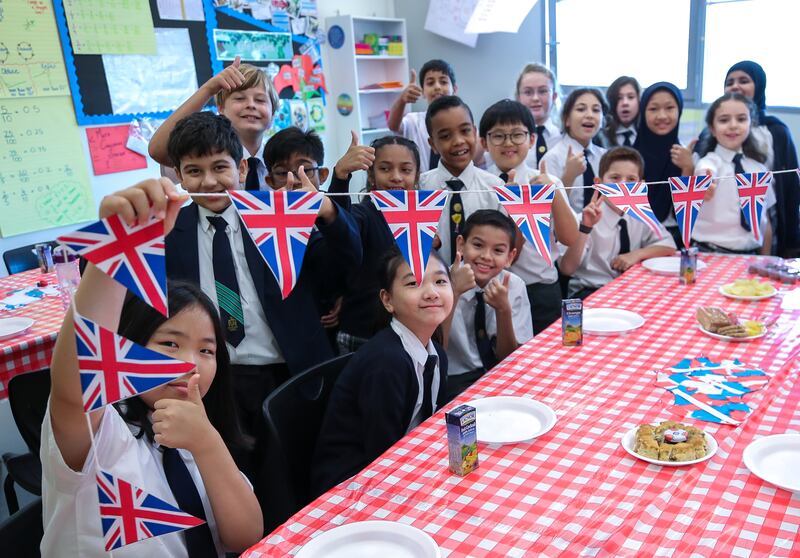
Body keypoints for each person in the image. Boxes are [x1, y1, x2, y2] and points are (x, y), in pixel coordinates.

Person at [41, 177, 263, 556]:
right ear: (124, 348)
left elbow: (247, 538)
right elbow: (78, 381)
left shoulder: (196, 429)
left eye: (207, 351)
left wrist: (207, 443)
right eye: (169, 343)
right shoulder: (102, 434)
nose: (189, 363)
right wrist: (118, 248)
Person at [163, 113, 362, 441]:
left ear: (241, 169)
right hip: (214, 378)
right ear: (180, 177)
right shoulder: (170, 232)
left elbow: (347, 261)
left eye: (220, 167)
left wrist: (326, 210)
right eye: (194, 171)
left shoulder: (274, 216)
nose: (209, 181)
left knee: (297, 468)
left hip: (290, 371)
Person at [311, 250, 453, 496]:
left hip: (404, 466)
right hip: (351, 487)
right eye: (413, 283)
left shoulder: (436, 354)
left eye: (440, 281)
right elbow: (382, 455)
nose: (431, 292)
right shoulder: (387, 363)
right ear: (387, 300)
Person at [479, 99, 579, 333]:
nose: (508, 142)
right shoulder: (479, 185)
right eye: (498, 136)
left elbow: (570, 238)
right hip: (492, 289)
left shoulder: (548, 182)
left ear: (532, 139)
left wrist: (552, 194)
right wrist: (512, 205)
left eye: (517, 134)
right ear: (484, 142)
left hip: (542, 289)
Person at [335, 135, 422, 353]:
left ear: (416, 175)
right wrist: (340, 176)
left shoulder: (422, 217)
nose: (396, 177)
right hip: (362, 334)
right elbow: (340, 228)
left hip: (409, 330)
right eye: (385, 169)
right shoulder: (362, 214)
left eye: (405, 170)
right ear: (371, 176)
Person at [558, 147, 675, 298]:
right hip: (590, 290)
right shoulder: (584, 219)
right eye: (615, 178)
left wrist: (636, 254)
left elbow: (669, 244)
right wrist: (585, 228)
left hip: (630, 288)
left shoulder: (639, 215)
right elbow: (566, 269)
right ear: (598, 183)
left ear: (640, 186)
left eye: (631, 179)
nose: (623, 185)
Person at [149, 57, 279, 190]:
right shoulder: (201, 151)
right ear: (221, 108)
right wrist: (209, 89)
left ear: (273, 113)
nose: (251, 105)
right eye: (240, 98)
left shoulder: (282, 161)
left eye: (260, 100)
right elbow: (157, 150)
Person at [443, 210, 533, 400]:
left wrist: (503, 310)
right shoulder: (440, 284)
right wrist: (455, 293)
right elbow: (435, 352)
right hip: (454, 377)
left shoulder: (514, 285)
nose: (486, 256)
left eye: (498, 250)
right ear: (460, 244)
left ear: (510, 256)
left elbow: (508, 358)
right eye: (477, 245)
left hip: (500, 373)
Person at [722, 61, 799, 256]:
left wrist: (792, 241)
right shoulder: (714, 132)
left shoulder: (776, 131)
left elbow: (790, 186)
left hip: (766, 224)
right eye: (730, 82)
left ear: (759, 87)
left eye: (744, 81)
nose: (735, 86)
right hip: (723, 227)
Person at [419, 96, 505, 265]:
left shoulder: (495, 188)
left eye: (465, 131)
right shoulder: (419, 189)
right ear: (433, 144)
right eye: (445, 136)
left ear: (474, 132)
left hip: (484, 286)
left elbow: (502, 246)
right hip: (433, 287)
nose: (458, 141)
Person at [692, 94, 773, 255]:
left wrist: (766, 258)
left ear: (751, 123)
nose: (733, 125)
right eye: (724, 120)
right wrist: (704, 183)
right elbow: (704, 172)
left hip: (751, 254)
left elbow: (765, 220)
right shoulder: (710, 162)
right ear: (712, 129)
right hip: (708, 253)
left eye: (741, 119)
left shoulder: (759, 168)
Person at [633, 82, 695, 246]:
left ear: (679, 111)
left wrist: (688, 168)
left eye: (669, 108)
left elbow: (686, 212)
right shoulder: (630, 157)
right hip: (637, 238)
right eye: (653, 109)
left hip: (678, 237)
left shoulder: (685, 156)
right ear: (643, 112)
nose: (662, 116)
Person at [541, 88, 608, 212]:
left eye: (596, 110)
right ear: (567, 119)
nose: (589, 115)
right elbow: (547, 211)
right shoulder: (552, 157)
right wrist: (569, 175)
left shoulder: (606, 157)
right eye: (581, 109)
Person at [388, 59, 458, 171]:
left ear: (454, 89)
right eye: (430, 83)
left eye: (443, 82)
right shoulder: (414, 120)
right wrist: (402, 100)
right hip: (422, 185)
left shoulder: (461, 121)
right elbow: (393, 125)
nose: (437, 87)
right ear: (423, 92)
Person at [515, 63, 562, 166]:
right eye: (528, 92)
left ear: (554, 96)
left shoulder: (564, 138)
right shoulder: (510, 141)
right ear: (519, 97)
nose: (535, 98)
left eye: (542, 91)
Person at [602, 76, 641, 147]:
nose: (625, 103)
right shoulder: (600, 137)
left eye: (630, 97)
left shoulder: (648, 135)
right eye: (619, 98)